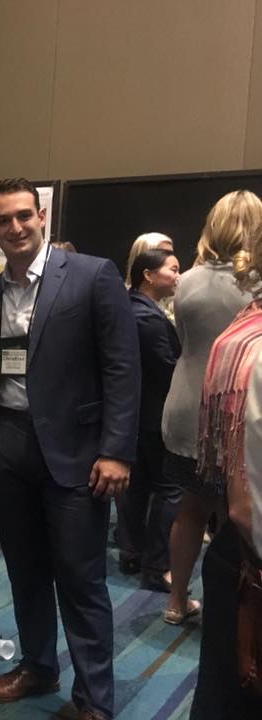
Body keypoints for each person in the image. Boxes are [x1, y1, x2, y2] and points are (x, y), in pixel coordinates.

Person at [0, 178, 140, 720]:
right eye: (3, 220)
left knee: (80, 576)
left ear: (41, 215)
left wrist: (117, 450)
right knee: (24, 568)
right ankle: (38, 666)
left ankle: (94, 700)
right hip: (11, 447)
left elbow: (122, 366)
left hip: (78, 452)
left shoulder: (93, 275)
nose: (15, 228)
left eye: (24, 216)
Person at [162, 190, 260, 625]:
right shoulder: (256, 281)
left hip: (184, 407)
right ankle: (234, 611)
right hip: (233, 414)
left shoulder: (186, 280)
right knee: (236, 516)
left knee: (190, 508)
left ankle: (175, 601)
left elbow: (184, 342)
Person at [190, 233, 262, 718]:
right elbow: (247, 502)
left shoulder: (243, 331)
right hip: (250, 558)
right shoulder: (252, 344)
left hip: (236, 547)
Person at [117, 249, 181, 590]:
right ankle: (158, 566)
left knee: (137, 485)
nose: (178, 276)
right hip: (155, 416)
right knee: (169, 489)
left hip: (134, 415)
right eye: (173, 269)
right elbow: (168, 369)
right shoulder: (150, 319)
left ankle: (131, 551)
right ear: (149, 275)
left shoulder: (128, 309)